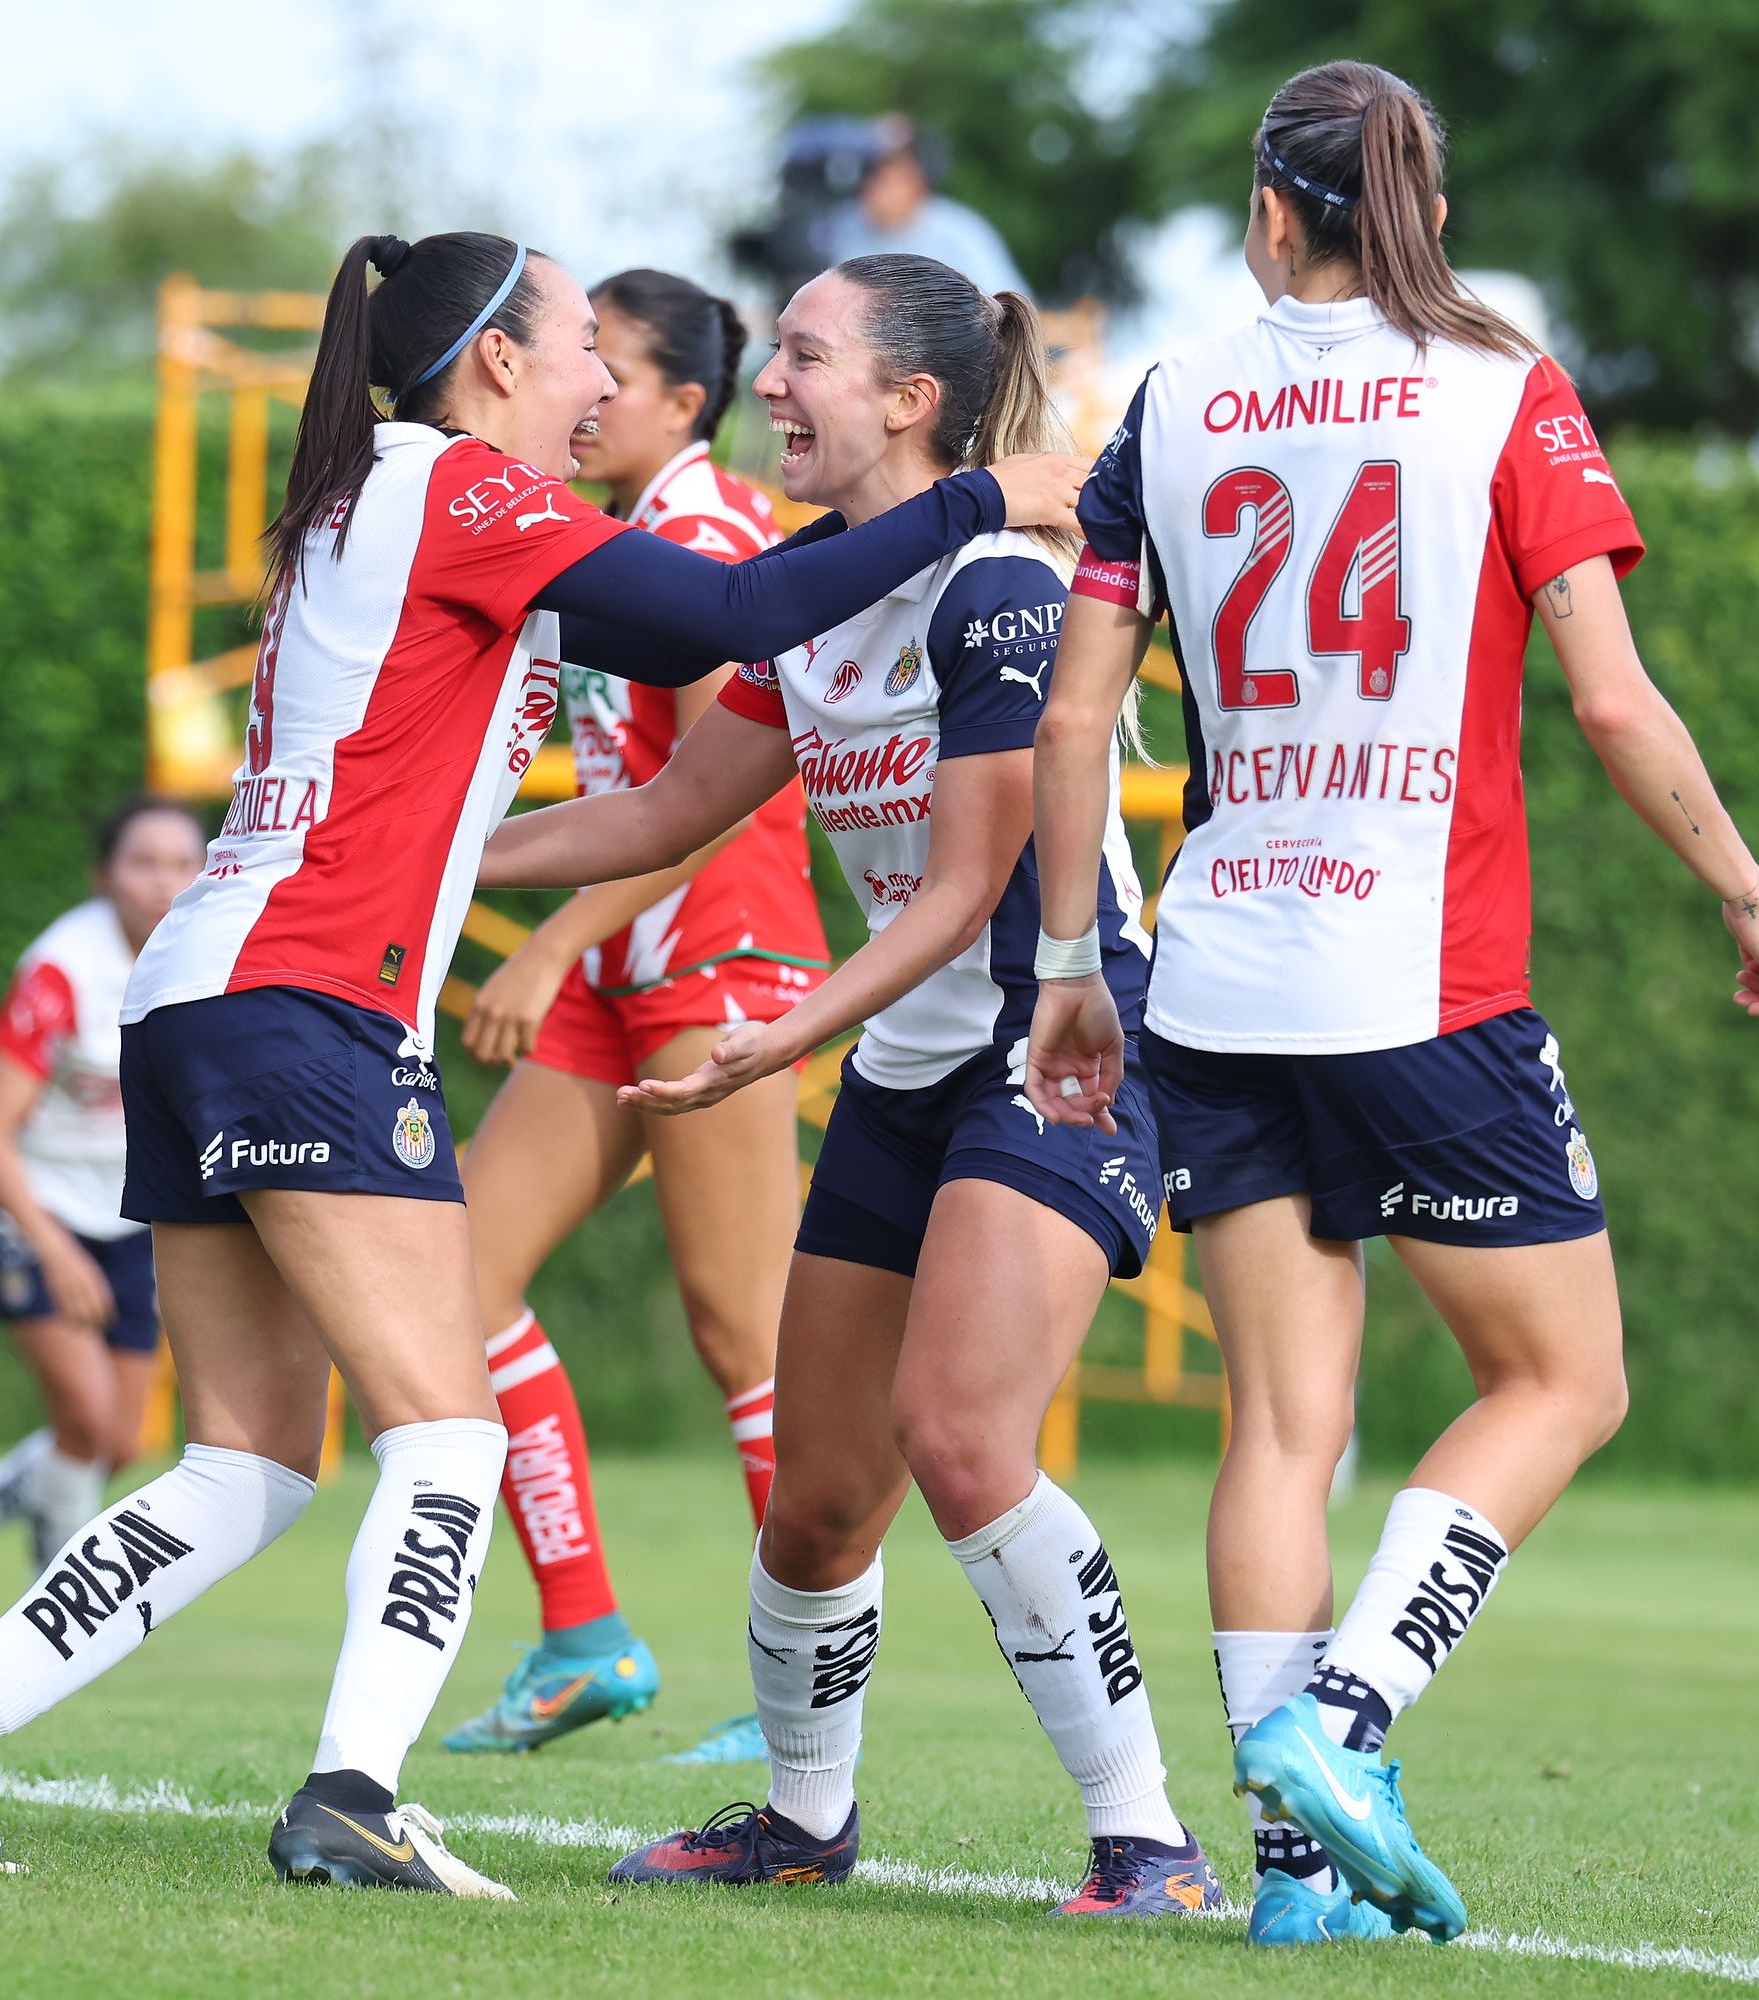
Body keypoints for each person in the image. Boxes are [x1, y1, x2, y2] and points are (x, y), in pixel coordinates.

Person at [0, 229, 1087, 1890]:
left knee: (249, 1465)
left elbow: (566, 774)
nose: (605, 383)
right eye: (577, 347)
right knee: (451, 1431)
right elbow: (733, 602)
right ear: (493, 360)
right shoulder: (454, 487)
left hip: (206, 996)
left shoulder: (369, 495)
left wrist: (460, 858)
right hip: (311, 1003)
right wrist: (997, 492)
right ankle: (353, 1798)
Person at [1022, 61, 1759, 1947]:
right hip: (1422, 979)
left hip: (1214, 974)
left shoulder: (1176, 397)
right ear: (1425, 212)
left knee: (1282, 1427)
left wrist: (1073, 972)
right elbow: (1614, 704)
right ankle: (1349, 1731)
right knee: (1563, 1379)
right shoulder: (1505, 386)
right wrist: (1751, 891)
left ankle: (1295, 1887)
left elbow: (1076, 720)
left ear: (1268, 210)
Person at [479, 253, 1224, 1921]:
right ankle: (804, 1822)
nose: (771, 388)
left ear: (908, 400)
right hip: (905, 1058)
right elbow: (665, 814)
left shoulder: (1001, 590)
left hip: (1056, 1051)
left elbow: (970, 890)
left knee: (959, 1440)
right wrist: (432, 859)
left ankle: (1147, 1840)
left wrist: (782, 1032)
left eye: (803, 358)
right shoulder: (817, 590)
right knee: (817, 1505)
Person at [439, 269, 822, 1763]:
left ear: (683, 403)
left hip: (718, 960)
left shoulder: (713, 531)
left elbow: (717, 801)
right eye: (576, 355)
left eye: (616, 364)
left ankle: (801, 1690)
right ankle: (585, 1634)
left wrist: (542, 947)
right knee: (456, 1288)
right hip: (623, 969)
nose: (586, 384)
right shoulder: (612, 533)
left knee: (749, 1338)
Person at [0, 795, 210, 1640]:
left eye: (183, 863)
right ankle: (55, 1617)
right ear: (102, 876)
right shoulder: (63, 970)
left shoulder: (209, 958)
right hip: (28, 1199)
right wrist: (55, 1251)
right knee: (83, 1416)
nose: (165, 882)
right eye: (143, 863)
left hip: (125, 1211)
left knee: (120, 1440)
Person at [812, 116, 1028, 300]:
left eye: (886, 175)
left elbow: (1009, 308)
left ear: (919, 180)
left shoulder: (958, 232)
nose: (873, 184)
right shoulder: (845, 226)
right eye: (871, 172)